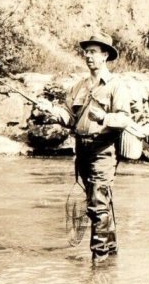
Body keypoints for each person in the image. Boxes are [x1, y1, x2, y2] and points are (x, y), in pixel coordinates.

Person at [37, 32, 132, 263]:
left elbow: (124, 119)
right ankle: (111, 254)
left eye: (93, 52)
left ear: (105, 55)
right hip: (82, 150)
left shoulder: (116, 86)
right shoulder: (78, 86)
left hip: (103, 150)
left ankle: (98, 261)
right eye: (86, 52)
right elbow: (69, 118)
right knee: (100, 201)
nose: (88, 56)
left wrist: (104, 118)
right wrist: (50, 110)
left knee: (98, 203)